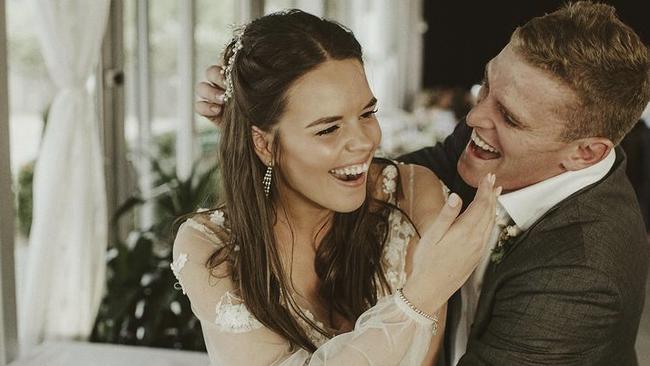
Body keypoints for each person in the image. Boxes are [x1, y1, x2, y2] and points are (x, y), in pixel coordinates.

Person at [197, 2, 650, 365]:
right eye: (485, 86)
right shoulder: (487, 141)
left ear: (585, 152)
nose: (474, 117)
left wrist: (421, 295)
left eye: (509, 118)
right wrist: (270, 132)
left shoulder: (585, 275)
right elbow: (381, 179)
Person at [175, 9, 500, 365]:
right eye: (328, 129)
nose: (363, 142)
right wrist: (420, 297)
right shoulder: (208, 247)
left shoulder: (414, 195)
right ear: (265, 145)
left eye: (367, 114)